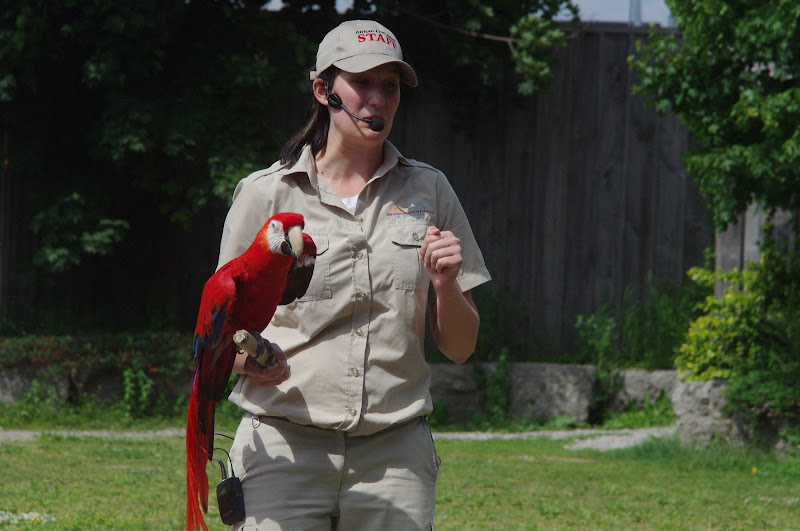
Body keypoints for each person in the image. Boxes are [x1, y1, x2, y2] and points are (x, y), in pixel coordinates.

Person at [220, 19, 491, 530]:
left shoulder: (431, 193)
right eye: (362, 82)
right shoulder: (266, 195)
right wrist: (247, 361)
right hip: (282, 448)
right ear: (323, 90)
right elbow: (219, 335)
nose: (377, 99)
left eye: (389, 86)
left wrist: (445, 285)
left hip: (396, 458)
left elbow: (461, 347)